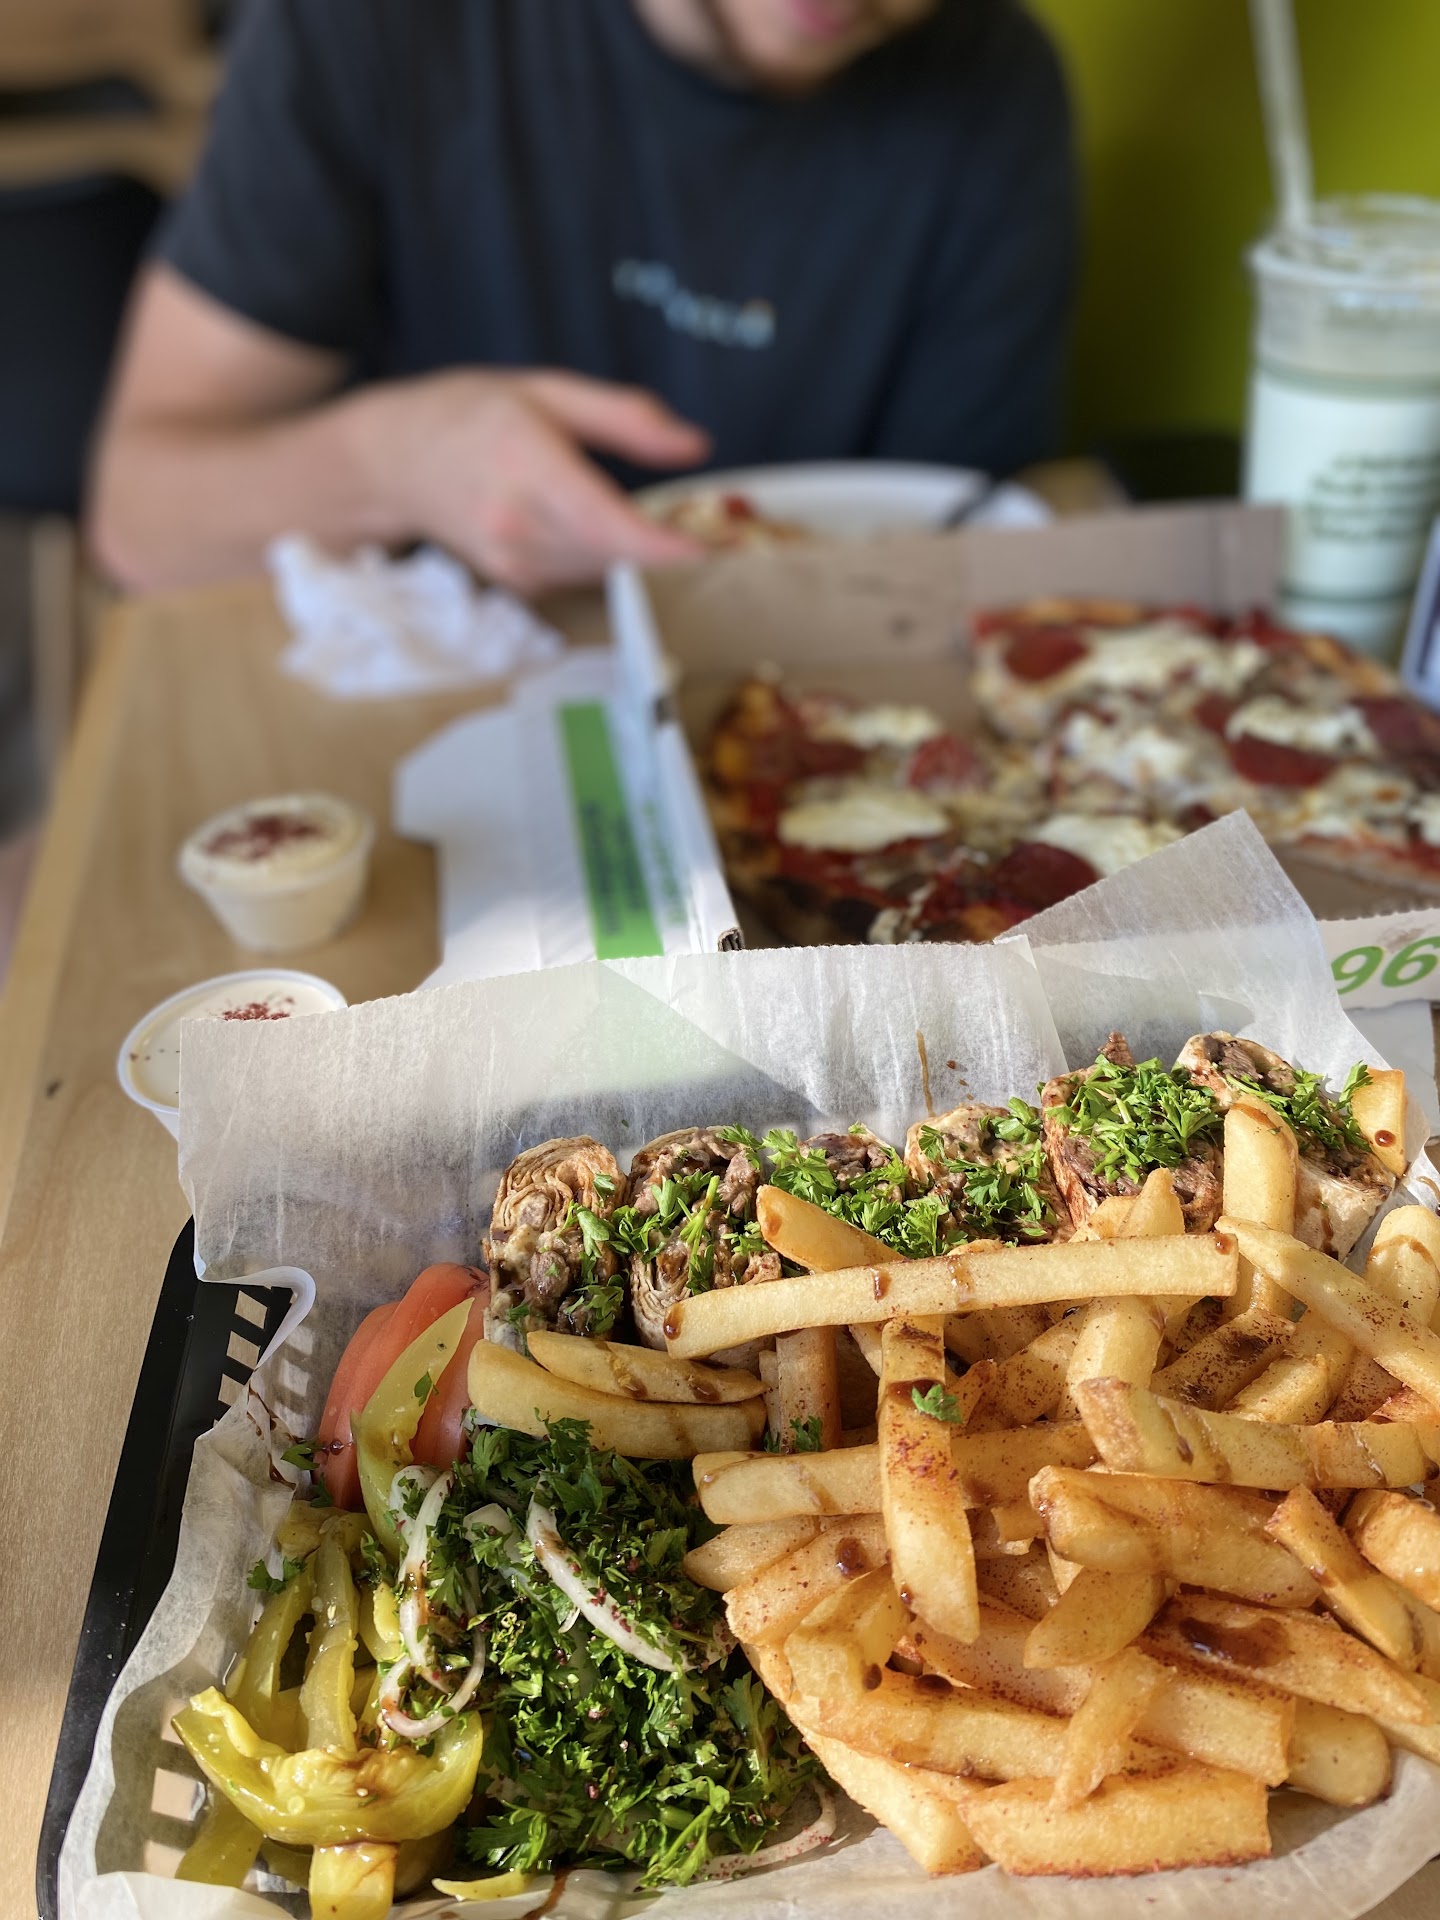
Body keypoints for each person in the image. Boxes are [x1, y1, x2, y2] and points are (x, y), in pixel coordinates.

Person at [88, 0, 1076, 596]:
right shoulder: (373, 24)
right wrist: (400, 463)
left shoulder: (996, 89)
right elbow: (141, 518)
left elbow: (964, 553)